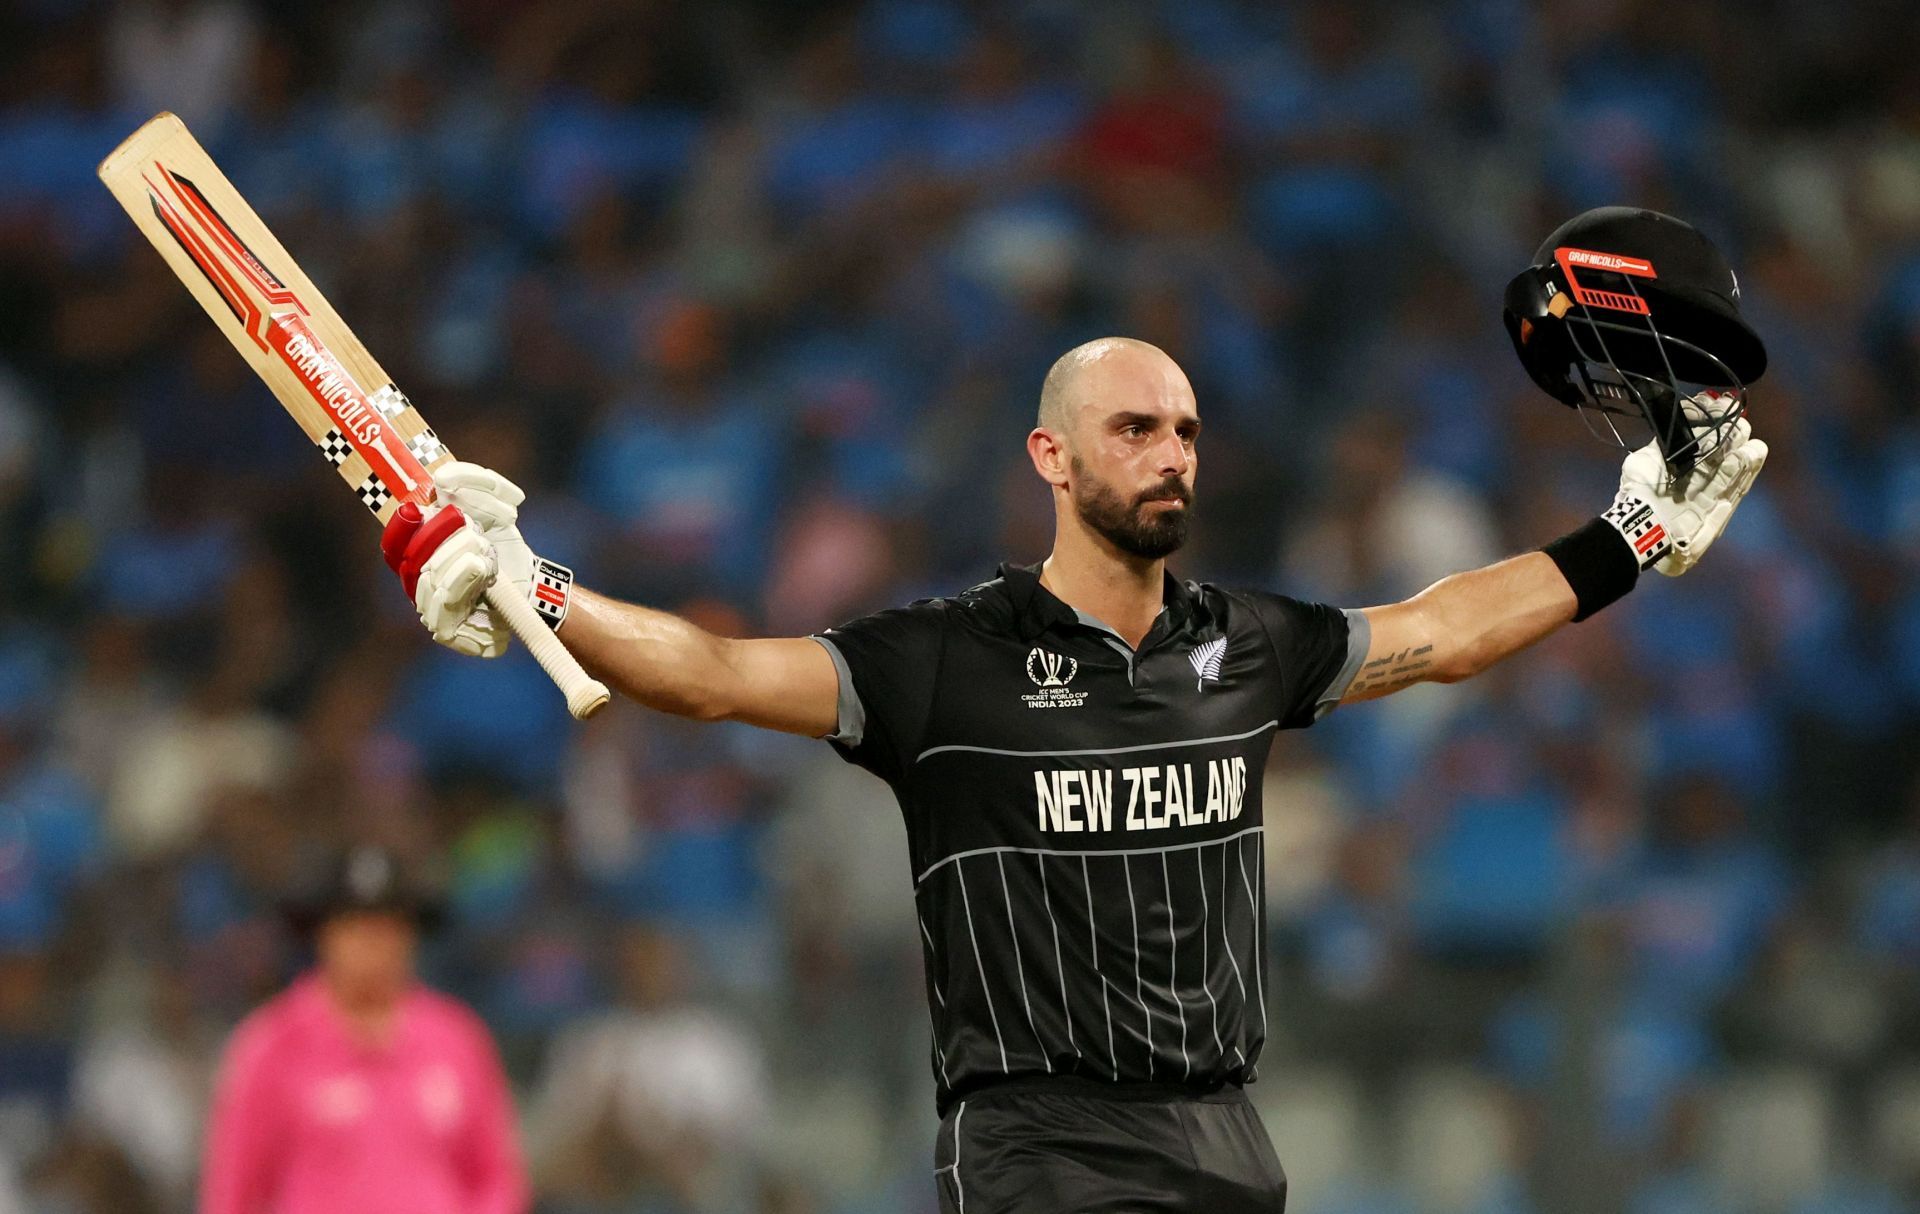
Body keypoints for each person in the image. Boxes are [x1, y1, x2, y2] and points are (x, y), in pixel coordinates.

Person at [381, 210, 1769, 1212]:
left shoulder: (1247, 646)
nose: (1172, 452)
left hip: (1225, 1139)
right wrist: (539, 588)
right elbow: (709, 669)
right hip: (1041, 1148)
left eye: (1185, 430)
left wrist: (1629, 541)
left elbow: (1446, 629)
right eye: (1134, 428)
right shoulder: (944, 662)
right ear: (1049, 454)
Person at [198, 846, 529, 1214]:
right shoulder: (273, 1044)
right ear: (324, 934)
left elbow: (496, 1179)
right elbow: (235, 1192)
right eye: (356, 926)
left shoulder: (457, 1038)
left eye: (388, 927)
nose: (373, 943)